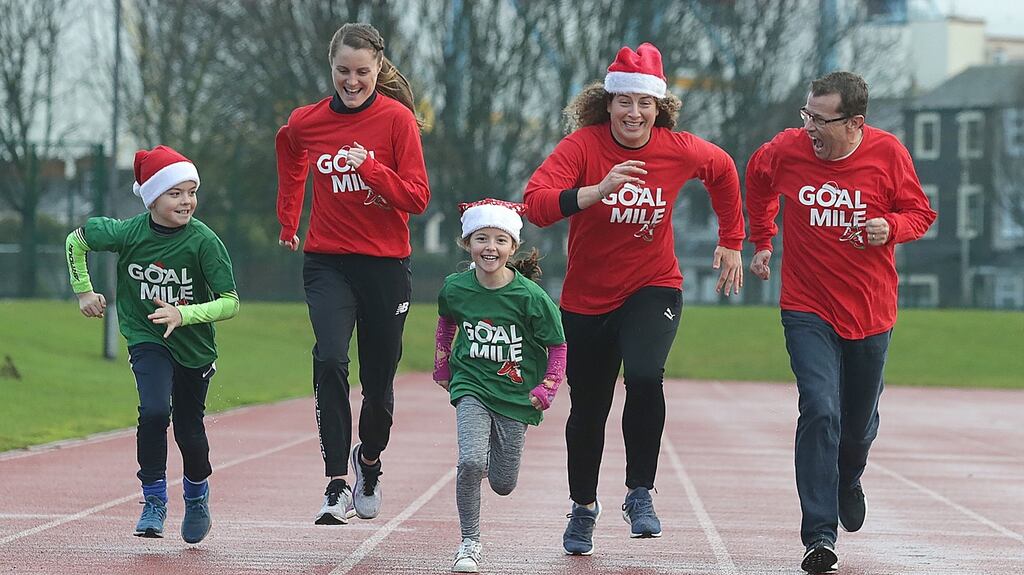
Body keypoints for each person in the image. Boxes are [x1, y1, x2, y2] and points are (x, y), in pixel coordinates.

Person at [523, 42, 745, 555]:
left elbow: (724, 171)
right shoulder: (582, 147)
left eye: (645, 104)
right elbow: (535, 205)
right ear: (609, 103)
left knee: (645, 375)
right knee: (588, 410)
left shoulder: (678, 148)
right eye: (624, 102)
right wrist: (594, 191)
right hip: (585, 298)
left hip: (653, 285)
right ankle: (583, 507)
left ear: (659, 108)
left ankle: (639, 492)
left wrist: (732, 239)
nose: (634, 113)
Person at [745, 71, 936, 574]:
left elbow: (920, 213)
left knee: (856, 427)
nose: (809, 126)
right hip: (807, 307)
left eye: (820, 119)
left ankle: (849, 477)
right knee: (819, 409)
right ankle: (819, 535)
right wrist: (763, 239)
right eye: (805, 114)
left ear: (854, 122)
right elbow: (758, 180)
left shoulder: (889, 154)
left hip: (871, 310)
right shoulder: (787, 149)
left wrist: (889, 227)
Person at [275, 22, 430, 525]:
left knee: (379, 382)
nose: (352, 81)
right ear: (331, 67)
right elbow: (289, 147)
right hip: (327, 262)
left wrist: (370, 170)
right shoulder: (310, 121)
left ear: (378, 69)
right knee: (331, 359)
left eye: (362, 72)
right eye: (343, 71)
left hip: (386, 266)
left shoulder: (397, 121)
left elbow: (417, 197)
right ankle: (336, 482)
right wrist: (288, 215)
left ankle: (368, 462)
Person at [64, 145, 239, 543]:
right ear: (151, 197)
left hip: (193, 345)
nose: (186, 201)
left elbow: (231, 303)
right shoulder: (127, 232)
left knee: (189, 430)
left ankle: (196, 496)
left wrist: (184, 314)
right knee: (156, 410)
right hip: (147, 338)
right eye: (175, 193)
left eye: (191, 191)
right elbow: (76, 240)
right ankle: (154, 501)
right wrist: (84, 292)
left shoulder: (204, 242)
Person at [433, 199, 567, 573]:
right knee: (471, 461)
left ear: (512, 248)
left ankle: (494, 456)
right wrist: (443, 367)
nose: (489, 247)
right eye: (481, 239)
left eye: (499, 240)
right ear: (467, 244)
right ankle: (469, 543)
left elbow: (557, 346)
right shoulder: (455, 288)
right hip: (471, 384)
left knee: (504, 483)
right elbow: (446, 324)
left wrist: (547, 389)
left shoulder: (531, 298)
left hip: (514, 394)